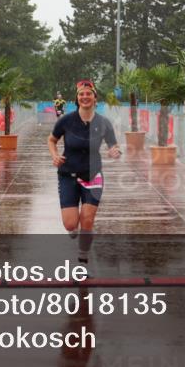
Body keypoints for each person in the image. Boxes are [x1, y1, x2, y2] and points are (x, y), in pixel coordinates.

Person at [48, 80, 120, 266]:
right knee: (71, 224)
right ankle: (74, 229)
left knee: (87, 220)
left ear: (95, 98)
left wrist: (114, 151)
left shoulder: (104, 123)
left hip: (93, 176)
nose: (85, 97)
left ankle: (83, 259)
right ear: (77, 98)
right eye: (81, 94)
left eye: (89, 94)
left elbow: (113, 144)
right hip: (68, 175)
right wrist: (55, 155)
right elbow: (51, 140)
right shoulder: (66, 120)